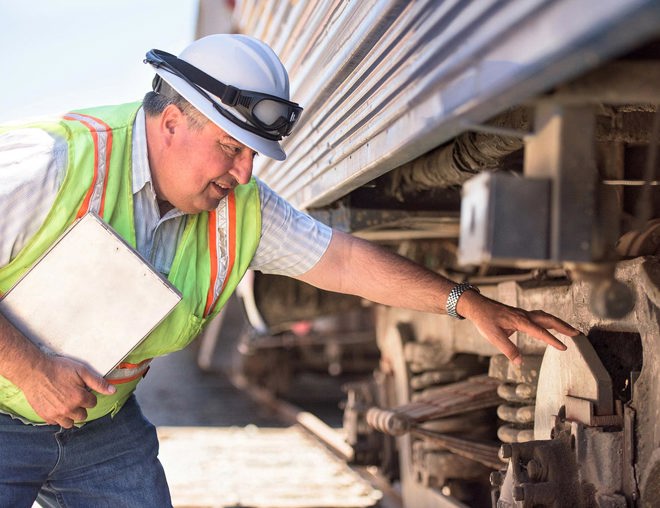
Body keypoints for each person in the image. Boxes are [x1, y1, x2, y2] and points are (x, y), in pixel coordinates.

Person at [0, 34, 579, 506]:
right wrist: (31, 371)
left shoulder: (239, 207)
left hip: (101, 432)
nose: (246, 173)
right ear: (172, 122)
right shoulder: (49, 164)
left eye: (255, 154)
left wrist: (465, 300)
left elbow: (344, 261)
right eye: (232, 148)